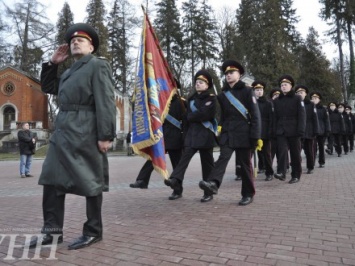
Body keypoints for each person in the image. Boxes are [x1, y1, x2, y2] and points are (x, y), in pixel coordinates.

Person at [28, 23, 116, 250]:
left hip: (86, 131)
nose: (75, 42)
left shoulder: (97, 66)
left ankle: (93, 231)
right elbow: (49, 87)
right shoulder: (69, 71)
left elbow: (105, 102)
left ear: (91, 46)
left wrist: (106, 134)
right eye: (73, 40)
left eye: (81, 40)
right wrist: (52, 64)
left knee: (91, 181)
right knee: (51, 180)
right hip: (63, 133)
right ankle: (52, 232)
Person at [199, 60, 261, 206]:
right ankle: (214, 183)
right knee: (222, 158)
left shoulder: (247, 91)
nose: (228, 75)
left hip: (244, 133)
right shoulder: (223, 95)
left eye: (231, 72)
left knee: (244, 165)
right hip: (228, 132)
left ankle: (248, 194)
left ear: (239, 74)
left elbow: (255, 115)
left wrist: (255, 136)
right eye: (226, 73)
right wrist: (220, 129)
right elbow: (224, 116)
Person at [164, 70, 217, 202]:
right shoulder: (191, 100)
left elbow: (206, 115)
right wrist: (185, 134)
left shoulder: (211, 98)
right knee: (183, 160)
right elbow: (187, 120)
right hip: (192, 136)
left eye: (201, 82)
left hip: (205, 135)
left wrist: (191, 116)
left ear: (207, 85)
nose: (198, 84)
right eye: (197, 82)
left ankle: (208, 192)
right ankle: (175, 180)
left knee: (207, 165)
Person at [129, 93, 186, 200]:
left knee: (177, 165)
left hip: (175, 137)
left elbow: (186, 120)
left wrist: (185, 137)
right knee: (153, 158)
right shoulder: (159, 102)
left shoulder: (182, 102)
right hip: (161, 136)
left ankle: (177, 190)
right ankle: (142, 180)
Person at [273, 75, 306, 184]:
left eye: (285, 85)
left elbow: (302, 115)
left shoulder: (297, 98)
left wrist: (301, 130)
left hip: (294, 130)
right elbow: (275, 117)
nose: (283, 87)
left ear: (291, 86)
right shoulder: (277, 100)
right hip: (281, 130)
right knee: (282, 151)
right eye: (282, 85)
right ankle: (282, 172)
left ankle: (296, 175)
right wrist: (274, 130)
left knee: (295, 154)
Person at [252, 81, 274, 181]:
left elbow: (271, 119)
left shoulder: (268, 103)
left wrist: (270, 131)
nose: (259, 92)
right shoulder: (251, 103)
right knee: (249, 153)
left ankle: (269, 173)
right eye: (257, 90)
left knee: (267, 153)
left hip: (265, 131)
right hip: (253, 131)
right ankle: (245, 172)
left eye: (261, 90)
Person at [295, 85, 319, 174]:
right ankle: (297, 166)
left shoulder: (311, 104)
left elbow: (315, 118)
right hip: (298, 130)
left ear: (305, 94)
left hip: (309, 129)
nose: (300, 94)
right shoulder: (295, 103)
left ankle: (310, 166)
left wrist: (316, 130)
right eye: (298, 93)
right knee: (297, 150)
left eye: (301, 93)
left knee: (309, 150)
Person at [310, 92, 331, 168]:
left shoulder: (323, 109)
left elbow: (326, 120)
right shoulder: (310, 107)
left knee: (321, 147)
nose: (314, 100)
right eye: (312, 98)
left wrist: (327, 130)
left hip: (321, 130)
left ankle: (321, 162)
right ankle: (312, 162)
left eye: (316, 98)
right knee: (313, 147)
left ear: (319, 99)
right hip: (312, 131)